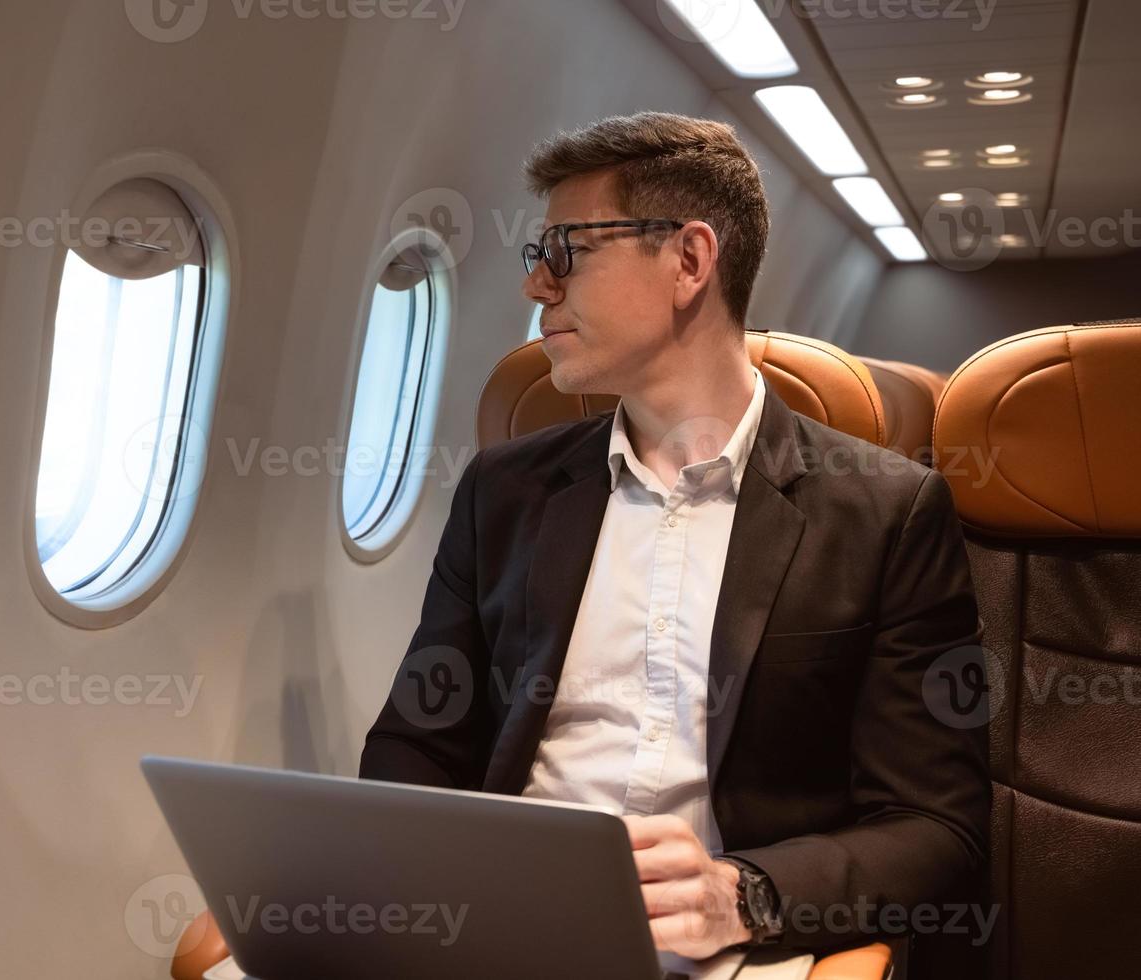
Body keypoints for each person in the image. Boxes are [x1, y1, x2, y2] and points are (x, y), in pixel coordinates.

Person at [360, 111, 988, 968]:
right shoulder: (504, 491)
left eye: (566, 251)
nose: (536, 287)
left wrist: (744, 894)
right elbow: (419, 740)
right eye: (535, 256)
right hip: (497, 925)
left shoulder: (884, 513)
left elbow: (936, 828)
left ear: (690, 261)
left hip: (723, 949)